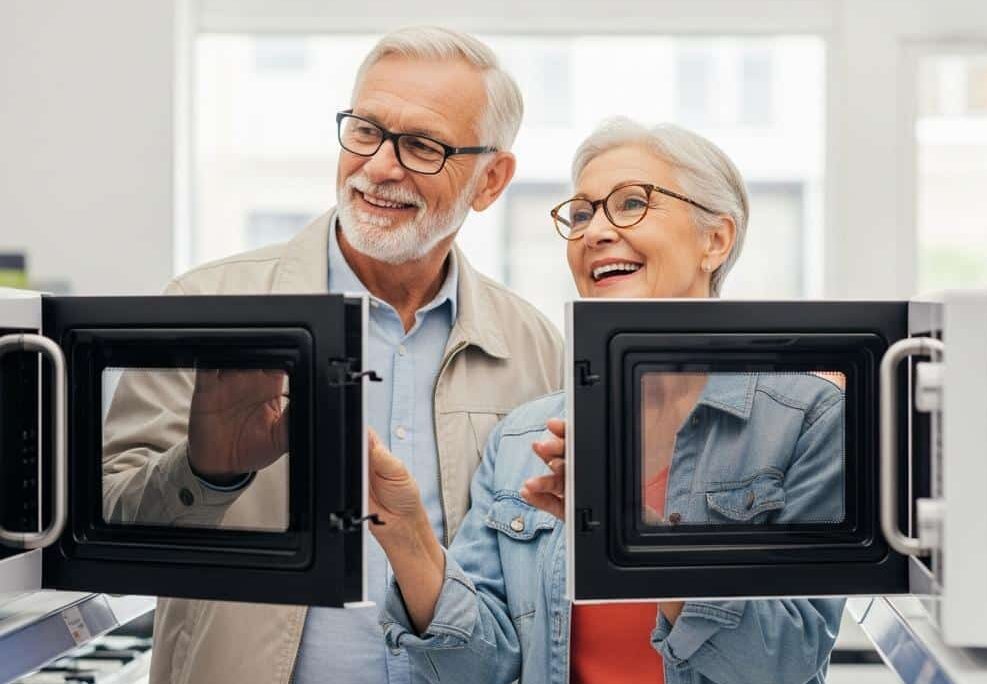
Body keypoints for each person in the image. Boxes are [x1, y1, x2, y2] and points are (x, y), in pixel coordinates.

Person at [100, 26, 563, 684]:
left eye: (422, 146)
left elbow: (534, 588)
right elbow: (109, 537)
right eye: (366, 130)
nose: (379, 166)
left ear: (491, 180)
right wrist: (206, 472)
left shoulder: (532, 344)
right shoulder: (208, 303)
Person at [370, 117, 846, 683]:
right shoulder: (525, 436)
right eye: (581, 213)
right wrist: (406, 537)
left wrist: (627, 528)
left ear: (715, 240)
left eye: (630, 204)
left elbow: (788, 660)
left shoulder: (807, 420)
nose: (594, 231)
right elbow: (480, 668)